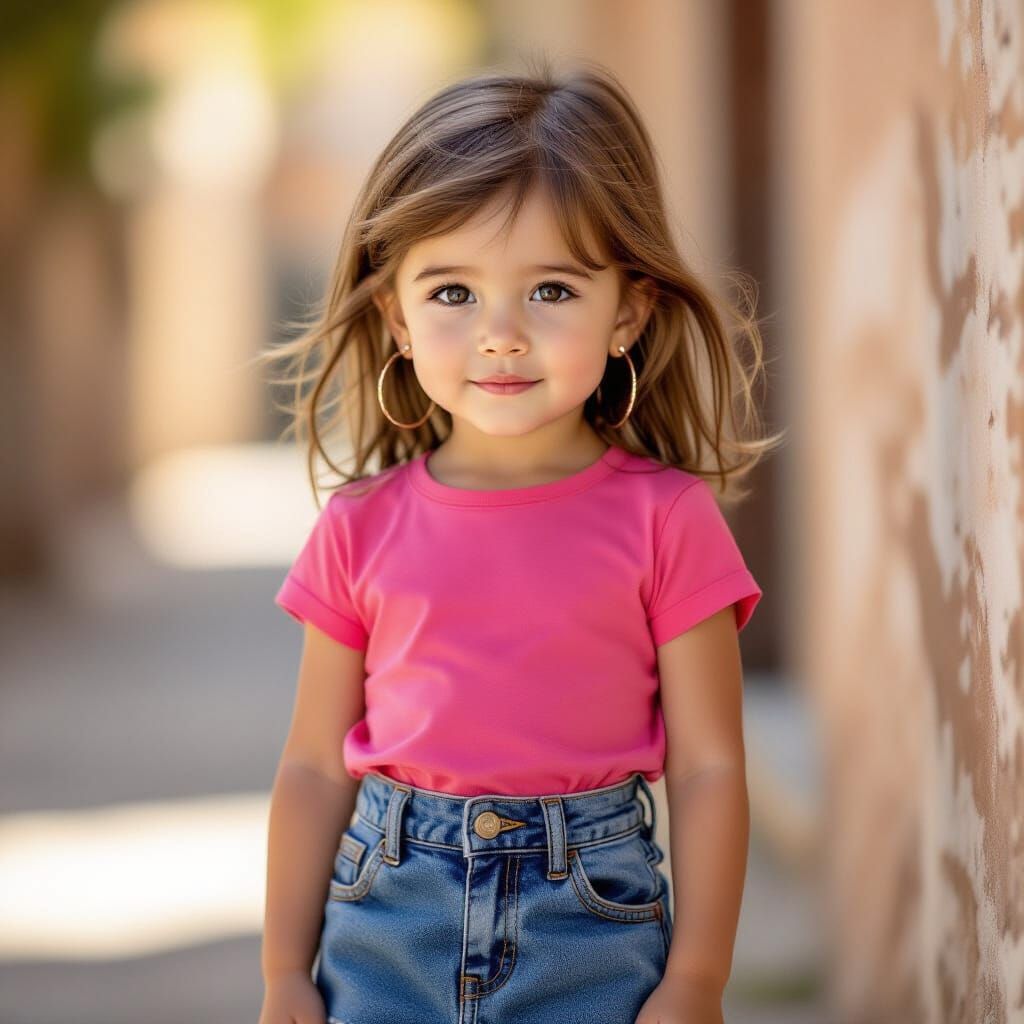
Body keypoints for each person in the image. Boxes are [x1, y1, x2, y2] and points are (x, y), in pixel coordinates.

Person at [256, 57, 783, 1024]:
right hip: (383, 924)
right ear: (397, 316)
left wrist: (698, 979)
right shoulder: (357, 529)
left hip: (590, 924)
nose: (501, 334)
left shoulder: (666, 522)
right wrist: (284, 973)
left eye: (550, 291)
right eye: (453, 293)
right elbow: (314, 767)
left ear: (628, 307)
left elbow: (710, 765)